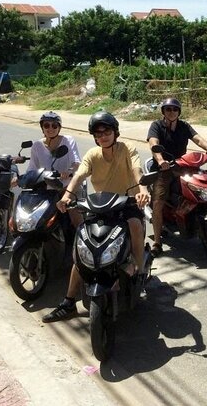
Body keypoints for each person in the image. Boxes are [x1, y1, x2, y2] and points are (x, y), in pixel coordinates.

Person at [43, 111, 150, 323]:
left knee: (135, 224)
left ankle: (137, 270)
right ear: (94, 137)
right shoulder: (92, 154)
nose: (103, 136)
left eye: (107, 131)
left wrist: (143, 189)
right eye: (98, 133)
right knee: (84, 249)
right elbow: (79, 175)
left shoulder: (127, 148)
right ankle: (68, 302)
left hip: (127, 202)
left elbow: (138, 170)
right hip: (101, 205)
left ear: (115, 132)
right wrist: (66, 196)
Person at [146, 97, 207, 257]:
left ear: (179, 111)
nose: (171, 112)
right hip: (164, 169)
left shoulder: (183, 126)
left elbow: (197, 138)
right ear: (163, 112)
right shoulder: (157, 126)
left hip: (182, 165)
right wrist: (160, 160)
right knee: (158, 202)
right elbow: (153, 143)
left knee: (200, 185)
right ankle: (157, 242)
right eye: (168, 109)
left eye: (174, 109)